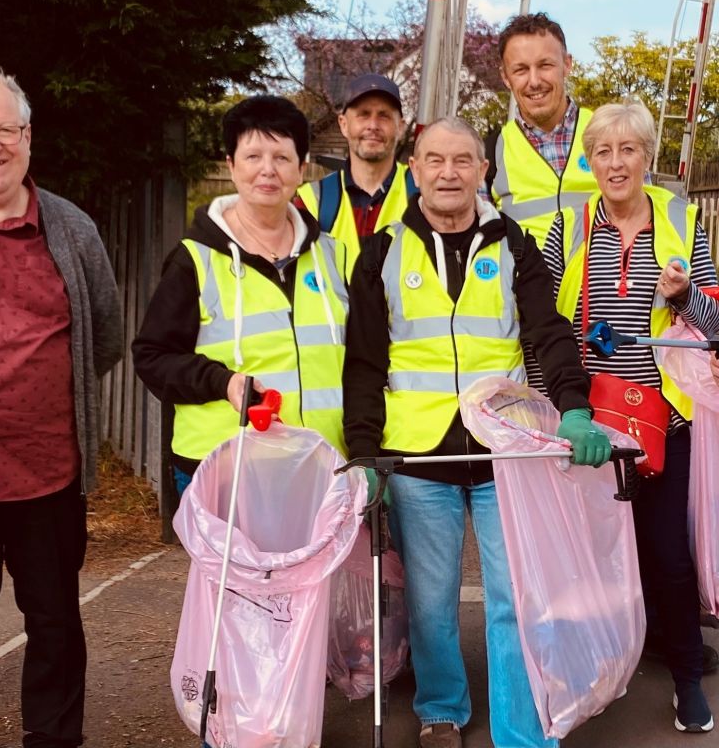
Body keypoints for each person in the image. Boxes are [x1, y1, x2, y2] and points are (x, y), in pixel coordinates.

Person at [343, 115, 611, 748]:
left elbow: (547, 332)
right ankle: (442, 709)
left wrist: (573, 405)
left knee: (513, 596)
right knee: (432, 603)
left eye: (462, 160)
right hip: (417, 455)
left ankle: (522, 723)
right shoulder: (382, 252)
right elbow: (362, 361)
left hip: (503, 448)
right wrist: (363, 451)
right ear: (415, 169)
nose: (448, 173)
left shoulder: (514, 243)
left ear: (483, 170)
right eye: (435, 160)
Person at [0, 62, 123, 748]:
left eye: (5, 128)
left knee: (57, 623)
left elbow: (105, 336)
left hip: (46, 473)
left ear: (28, 136)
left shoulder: (73, 230)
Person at [541, 99, 719, 734]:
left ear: (647, 156)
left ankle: (687, 674)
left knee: (668, 554)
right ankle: (594, 670)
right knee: (588, 555)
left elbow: (717, 325)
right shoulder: (570, 226)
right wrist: (555, 411)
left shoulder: (681, 219)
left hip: (664, 421)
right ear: (590, 161)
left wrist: (685, 295)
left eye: (628, 150)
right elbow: (547, 327)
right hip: (591, 421)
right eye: (603, 152)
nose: (615, 164)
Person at [133, 95, 348, 491]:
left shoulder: (334, 256)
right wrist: (222, 382)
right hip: (224, 467)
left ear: (301, 169)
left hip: (320, 465)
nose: (268, 170)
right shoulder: (193, 260)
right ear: (231, 165)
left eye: (282, 158)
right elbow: (152, 357)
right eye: (253, 156)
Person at [486, 13, 599, 249]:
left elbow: (645, 218)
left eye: (545, 65)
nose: (534, 81)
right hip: (524, 285)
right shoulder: (490, 152)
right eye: (521, 70)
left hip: (600, 286)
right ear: (505, 77)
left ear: (567, 64)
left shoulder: (608, 133)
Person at [295, 72, 415, 278]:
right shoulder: (312, 202)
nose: (373, 126)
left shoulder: (423, 193)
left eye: (384, 116)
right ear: (343, 124)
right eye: (363, 114)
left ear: (401, 127)